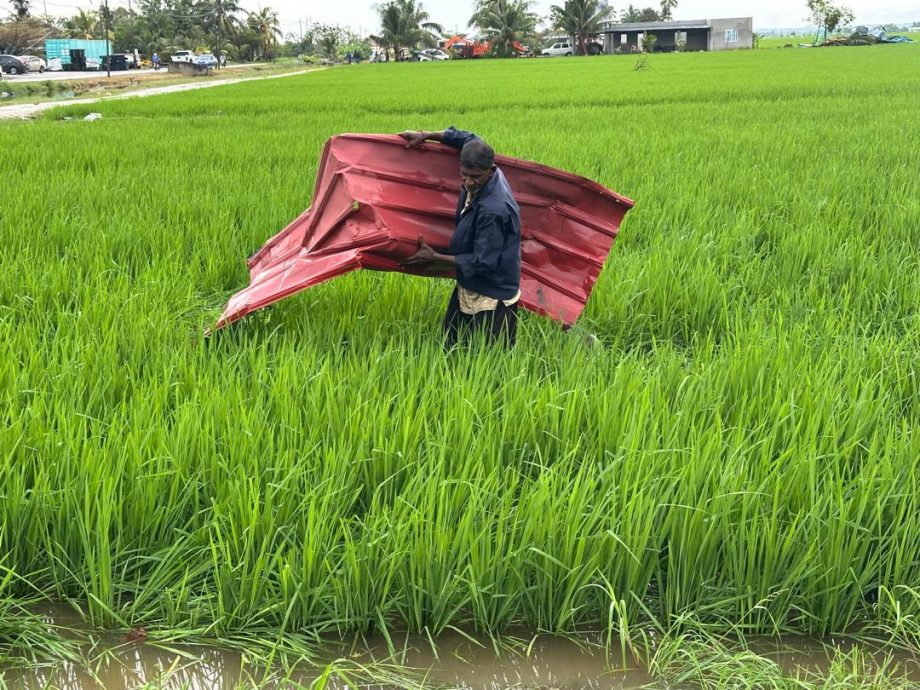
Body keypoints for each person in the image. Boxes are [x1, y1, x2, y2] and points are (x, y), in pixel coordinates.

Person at [399, 127, 522, 348]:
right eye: (464, 175)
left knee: (492, 358)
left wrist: (436, 257)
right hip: (469, 281)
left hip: (493, 291)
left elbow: (483, 262)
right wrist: (426, 135)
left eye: (475, 177)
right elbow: (467, 137)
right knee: (451, 344)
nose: (468, 182)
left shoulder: (493, 210)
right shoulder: (478, 156)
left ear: (492, 171)